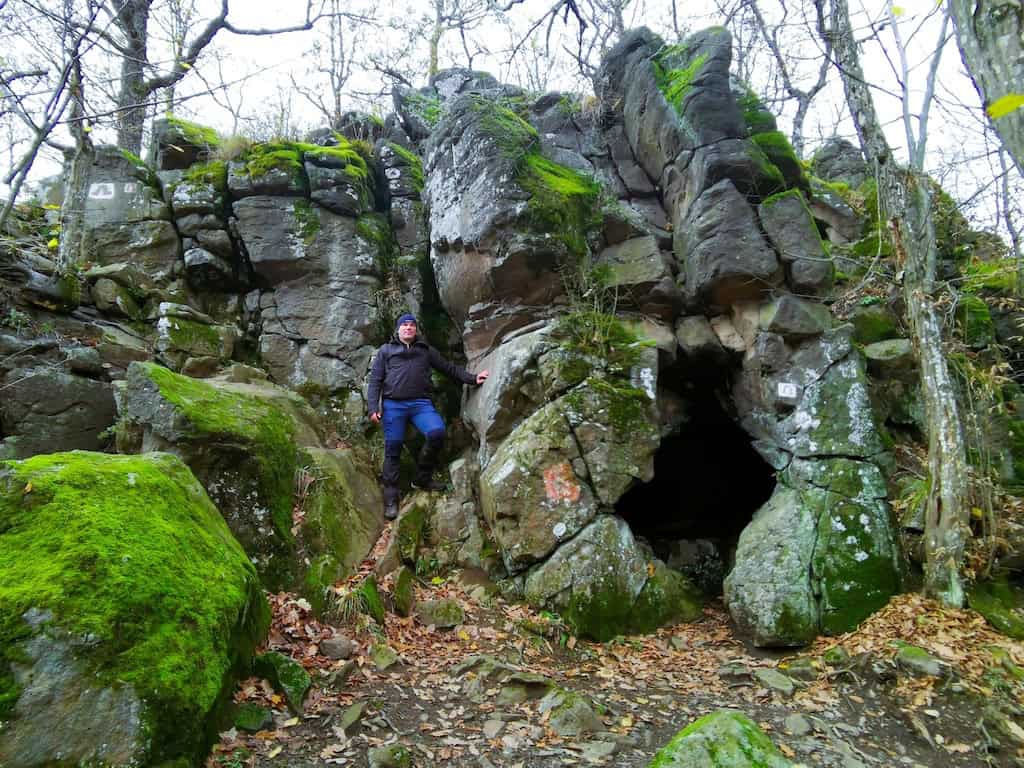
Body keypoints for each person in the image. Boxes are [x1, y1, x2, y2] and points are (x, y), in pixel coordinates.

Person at [367, 313, 489, 520]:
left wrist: (473, 378)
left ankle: (422, 478)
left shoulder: (425, 351)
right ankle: (390, 501)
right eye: (404, 325)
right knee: (393, 448)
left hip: (420, 404)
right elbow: (375, 381)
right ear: (398, 330)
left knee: (437, 432)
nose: (408, 328)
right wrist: (372, 408)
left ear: (416, 330)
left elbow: (448, 368)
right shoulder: (386, 351)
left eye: (411, 325)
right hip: (393, 405)